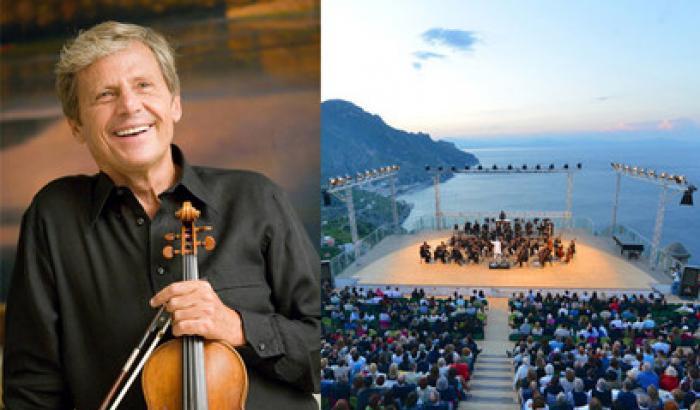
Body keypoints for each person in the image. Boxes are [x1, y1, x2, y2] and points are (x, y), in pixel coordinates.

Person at [3, 21, 320, 409]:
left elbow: (324, 351)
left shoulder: (256, 198)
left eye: (143, 85)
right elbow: (32, 388)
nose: (129, 106)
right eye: (105, 94)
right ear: (76, 126)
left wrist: (236, 327)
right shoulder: (54, 217)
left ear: (175, 103)